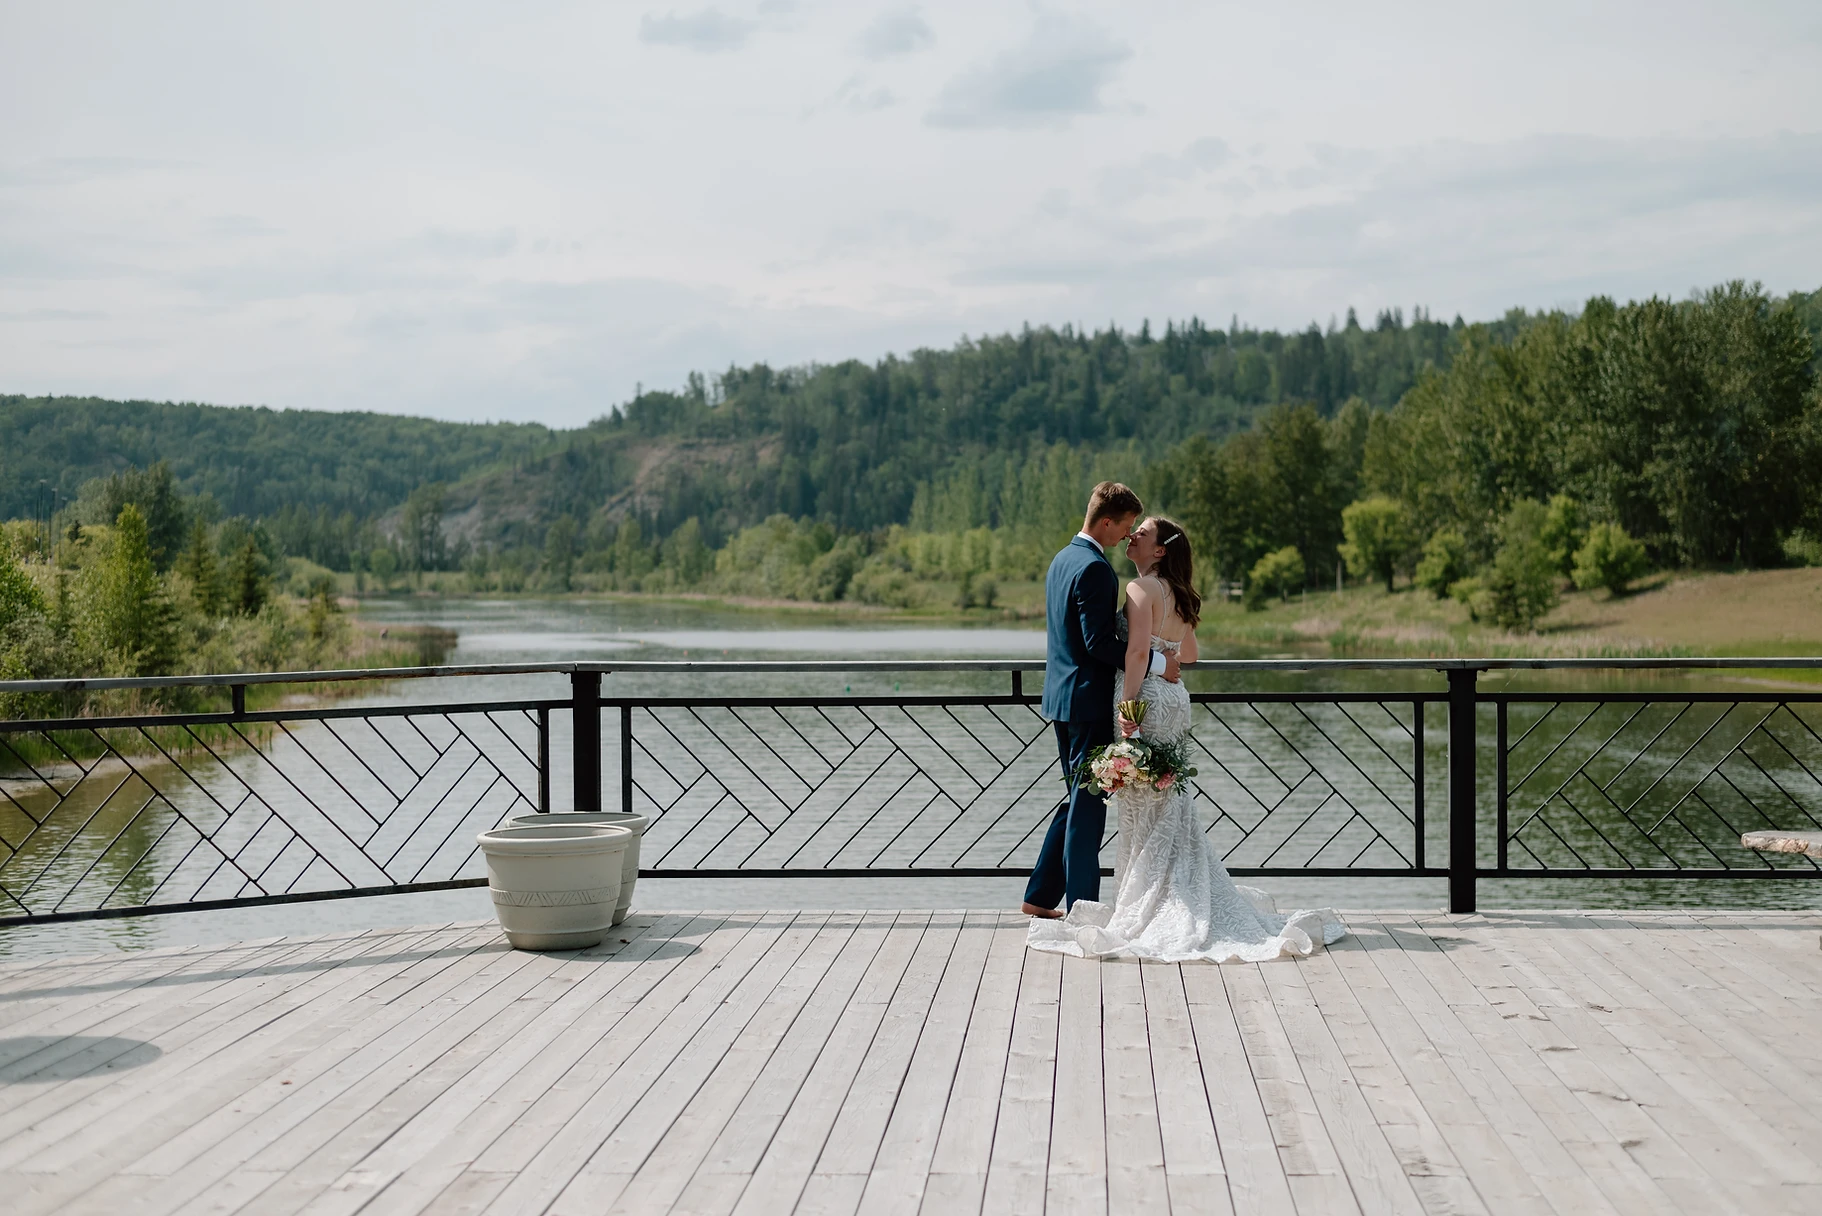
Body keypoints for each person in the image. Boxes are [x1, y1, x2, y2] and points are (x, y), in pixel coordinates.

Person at [1027, 515, 1348, 962]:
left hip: (1146, 702)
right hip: (1175, 701)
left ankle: (1152, 900)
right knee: (1167, 798)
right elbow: (1190, 653)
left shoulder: (1141, 590)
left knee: (1143, 802)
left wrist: (1129, 709)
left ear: (1160, 550)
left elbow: (1137, 652)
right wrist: (1166, 655)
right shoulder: (1177, 591)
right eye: (1132, 530)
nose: (1133, 536)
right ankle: (1174, 890)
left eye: (1143, 533)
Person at [1022, 482, 1178, 919]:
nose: (1126, 537)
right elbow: (1098, 645)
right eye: (1125, 527)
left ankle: (1039, 895)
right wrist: (1155, 663)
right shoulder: (1094, 568)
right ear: (1106, 521)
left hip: (1062, 698)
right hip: (1087, 702)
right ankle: (1082, 908)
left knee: (1076, 798)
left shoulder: (1062, 558)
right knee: (1089, 805)